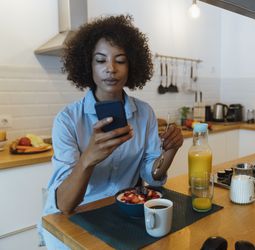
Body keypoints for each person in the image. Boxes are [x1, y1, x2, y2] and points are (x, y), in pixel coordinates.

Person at [38, 15, 183, 248]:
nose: (111, 69)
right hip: (71, 222)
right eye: (100, 60)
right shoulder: (67, 120)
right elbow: (64, 205)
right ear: (88, 64)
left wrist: (170, 151)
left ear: (132, 65)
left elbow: (152, 177)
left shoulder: (145, 114)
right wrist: (88, 159)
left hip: (120, 216)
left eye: (120, 60)